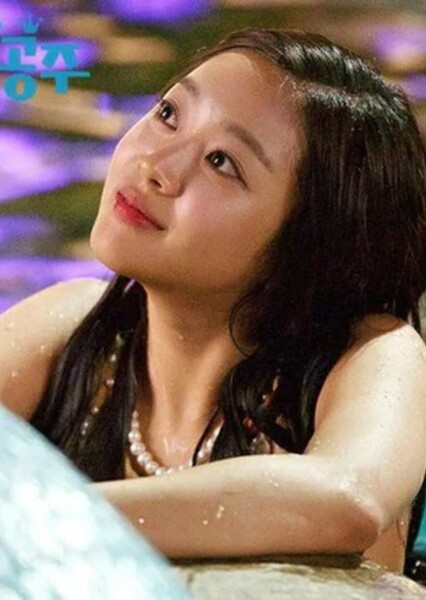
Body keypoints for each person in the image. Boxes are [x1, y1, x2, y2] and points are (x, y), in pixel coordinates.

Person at [1, 28, 426, 575]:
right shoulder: (74, 329)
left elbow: (347, 499)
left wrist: (44, 516)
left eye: (222, 162)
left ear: (309, 241)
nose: (156, 165)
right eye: (168, 114)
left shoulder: (375, 354)